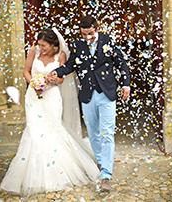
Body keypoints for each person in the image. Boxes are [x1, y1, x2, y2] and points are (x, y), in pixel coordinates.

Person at [0, 28, 99, 197]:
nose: (41, 48)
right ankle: (31, 176)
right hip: (33, 97)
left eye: (44, 45)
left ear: (54, 45)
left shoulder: (61, 55)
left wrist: (54, 80)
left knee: (53, 130)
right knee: (34, 131)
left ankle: (57, 174)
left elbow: (61, 79)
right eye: (39, 45)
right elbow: (26, 71)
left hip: (52, 97)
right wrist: (34, 84)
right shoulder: (33, 50)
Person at [48, 16, 131, 191]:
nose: (87, 37)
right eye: (84, 34)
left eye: (91, 34)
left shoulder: (108, 41)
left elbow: (121, 63)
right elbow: (70, 65)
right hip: (87, 95)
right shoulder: (77, 45)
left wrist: (126, 84)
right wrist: (56, 72)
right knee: (93, 133)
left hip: (107, 93)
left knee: (107, 133)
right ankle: (101, 161)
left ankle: (106, 176)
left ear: (97, 28)